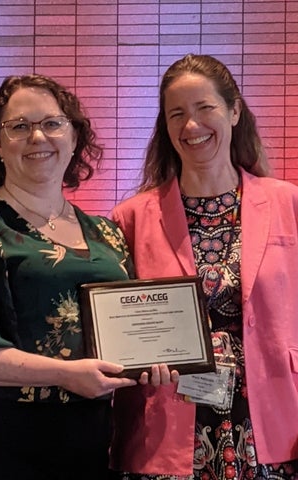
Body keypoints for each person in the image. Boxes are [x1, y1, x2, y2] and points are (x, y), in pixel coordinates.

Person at [0, 73, 138, 480]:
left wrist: (157, 362)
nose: (38, 137)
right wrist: (64, 374)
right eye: (19, 127)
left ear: (74, 136)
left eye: (51, 123)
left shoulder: (107, 233)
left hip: (90, 436)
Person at [109, 54, 298, 480]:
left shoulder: (288, 203)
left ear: (234, 111)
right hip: (166, 429)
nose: (191, 126)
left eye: (204, 108)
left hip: (274, 424)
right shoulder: (131, 218)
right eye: (177, 114)